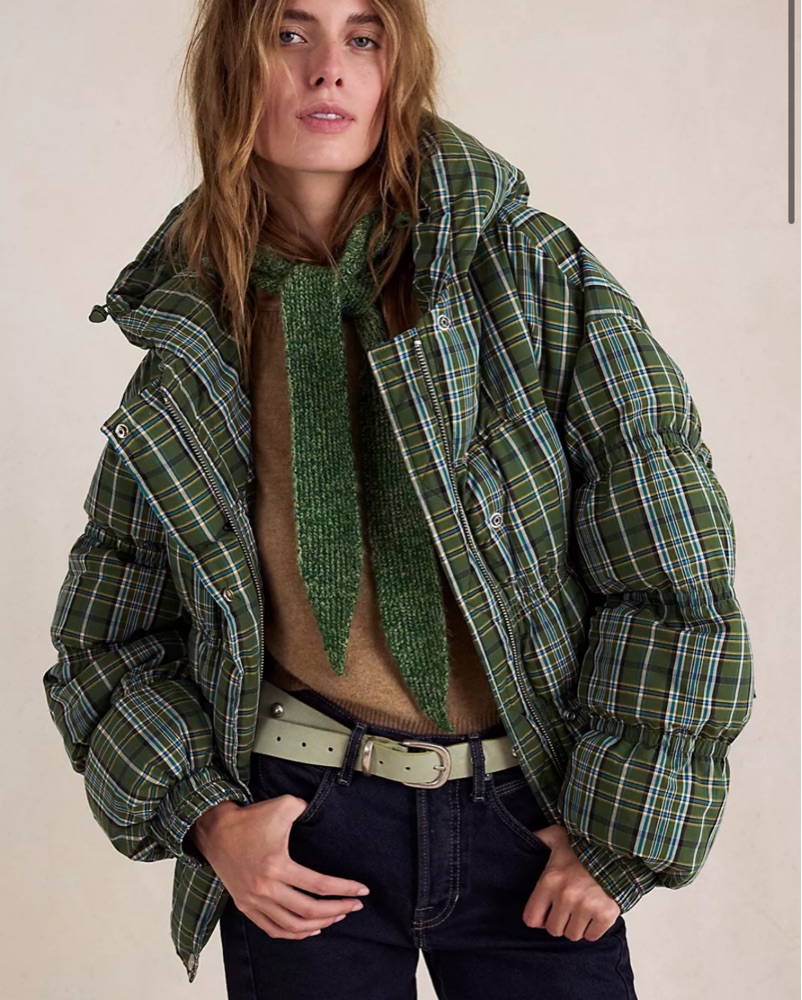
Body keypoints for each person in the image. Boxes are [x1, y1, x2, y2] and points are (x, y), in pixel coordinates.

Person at [42, 0, 755, 995]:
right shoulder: (194, 337)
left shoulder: (526, 276)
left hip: (532, 818)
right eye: (290, 34)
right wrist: (209, 820)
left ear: (398, 69)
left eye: (363, 36)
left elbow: (671, 560)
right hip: (303, 827)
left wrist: (619, 832)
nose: (328, 69)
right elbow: (108, 636)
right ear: (233, 68)